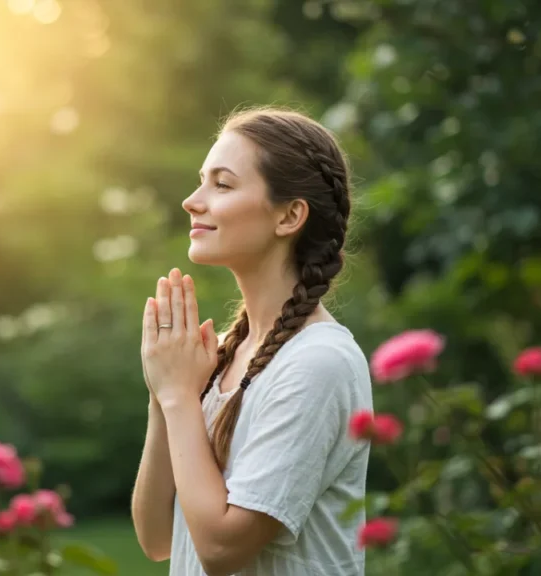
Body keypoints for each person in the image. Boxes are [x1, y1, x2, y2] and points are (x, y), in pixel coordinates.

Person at [130, 107, 373, 576]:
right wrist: (165, 393)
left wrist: (180, 396)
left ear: (289, 215)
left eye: (222, 184)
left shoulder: (318, 363)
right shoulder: (218, 356)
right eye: (202, 180)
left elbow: (222, 550)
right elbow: (158, 537)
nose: (191, 201)